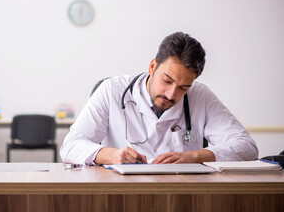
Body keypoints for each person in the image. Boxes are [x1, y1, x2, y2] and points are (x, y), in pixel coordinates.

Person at [60, 32, 258, 165]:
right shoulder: (111, 90)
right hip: (121, 192)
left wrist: (195, 156)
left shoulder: (201, 95)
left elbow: (247, 147)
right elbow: (70, 146)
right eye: (167, 80)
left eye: (183, 87)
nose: (171, 94)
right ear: (152, 66)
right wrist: (110, 154)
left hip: (179, 194)